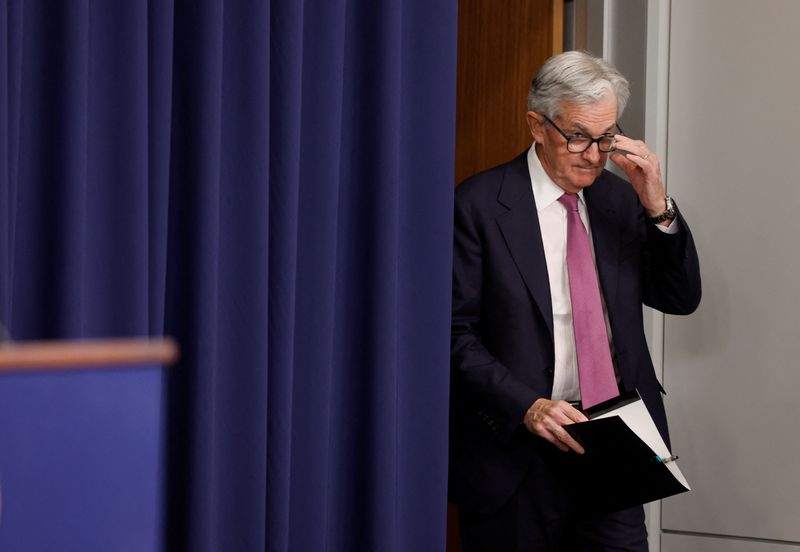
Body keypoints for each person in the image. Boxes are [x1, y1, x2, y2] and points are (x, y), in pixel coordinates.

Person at [449, 50, 701, 551]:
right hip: (518, 447)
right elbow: (453, 334)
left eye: (606, 136)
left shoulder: (619, 200)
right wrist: (527, 406)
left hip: (614, 445)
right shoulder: (478, 205)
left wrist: (657, 206)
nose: (594, 154)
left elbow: (678, 296)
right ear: (537, 125)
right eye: (579, 136)